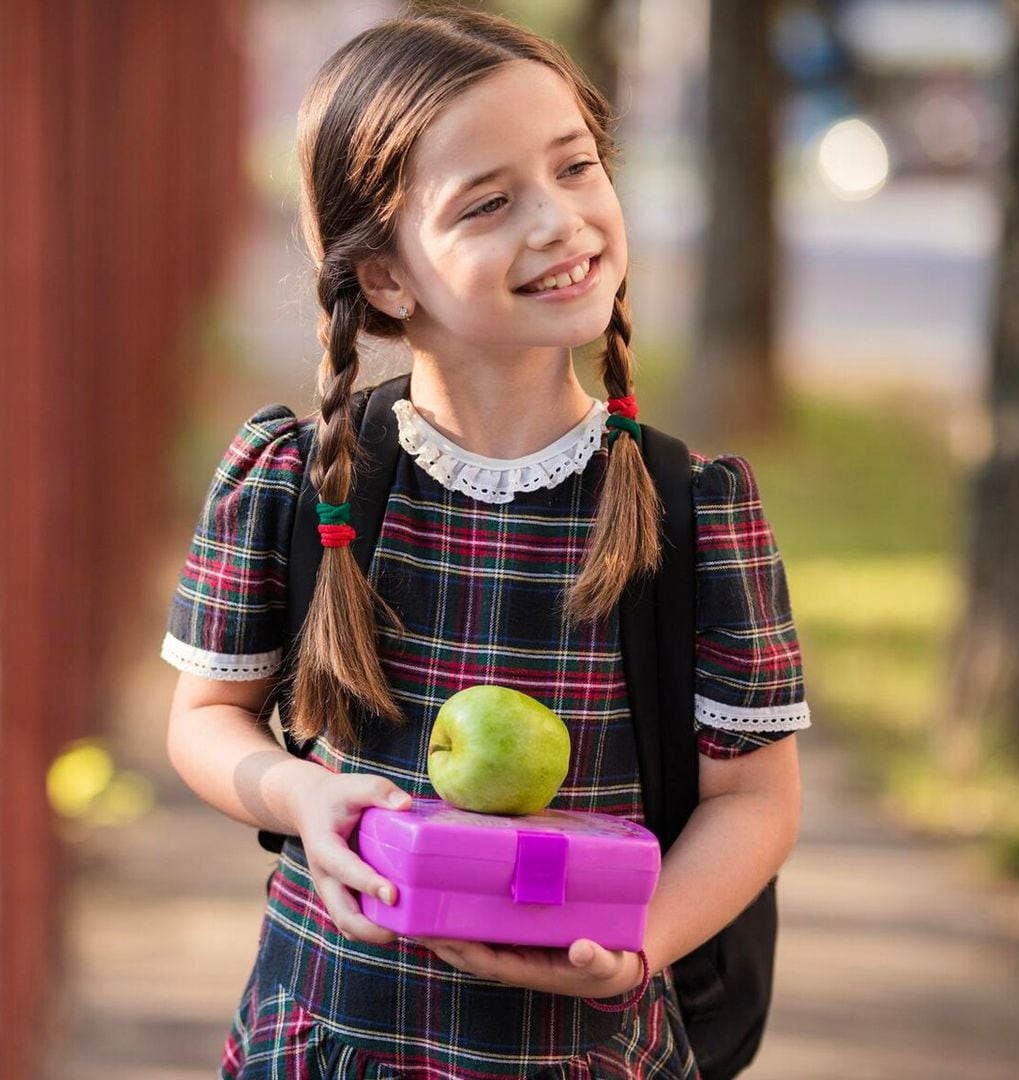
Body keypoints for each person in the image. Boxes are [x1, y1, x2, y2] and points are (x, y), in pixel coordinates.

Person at [160, 9, 809, 1078]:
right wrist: (298, 795)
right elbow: (206, 720)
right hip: (336, 1035)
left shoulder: (693, 509)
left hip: (584, 1051)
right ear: (385, 279)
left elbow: (754, 801)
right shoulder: (299, 482)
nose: (561, 222)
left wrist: (640, 947)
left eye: (577, 167)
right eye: (491, 202)